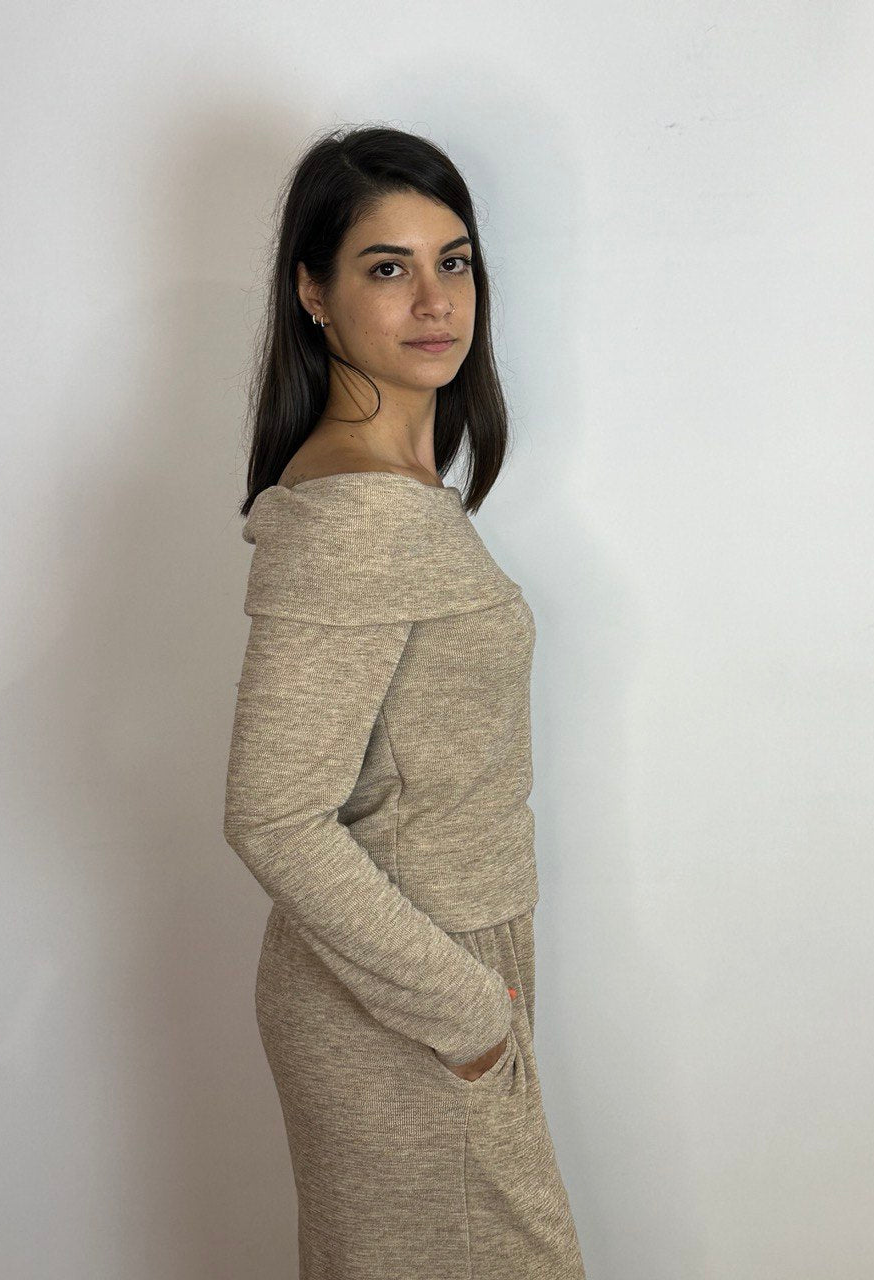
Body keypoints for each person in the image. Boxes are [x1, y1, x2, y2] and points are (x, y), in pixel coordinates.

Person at [223, 123, 587, 1280]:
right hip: (406, 996)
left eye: (454, 260)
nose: (436, 300)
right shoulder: (357, 516)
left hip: (429, 968)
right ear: (314, 294)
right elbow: (274, 813)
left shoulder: (398, 495)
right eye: (388, 266)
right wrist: (468, 1013)